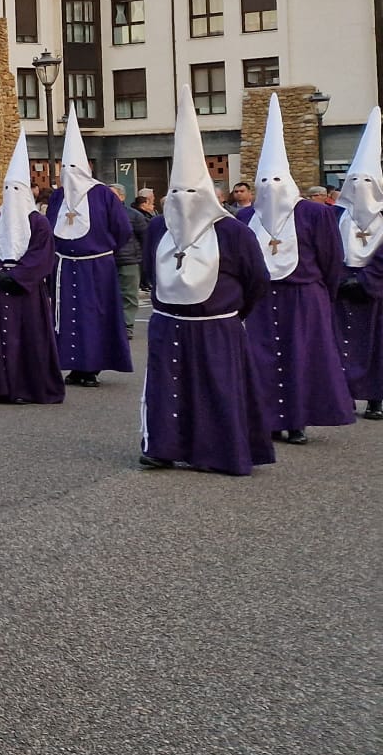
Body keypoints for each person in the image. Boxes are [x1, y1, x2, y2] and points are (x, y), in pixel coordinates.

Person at [139, 86, 272, 473]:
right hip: (169, 322)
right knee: (166, 386)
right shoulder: (159, 229)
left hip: (216, 324)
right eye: (174, 191)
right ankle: (163, 445)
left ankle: (221, 451)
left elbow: (256, 280)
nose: (182, 199)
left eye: (190, 191)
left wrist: (231, 313)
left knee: (218, 388)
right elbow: (151, 270)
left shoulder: (232, 232)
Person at [236, 95, 355, 445]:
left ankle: (298, 419)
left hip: (304, 296)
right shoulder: (246, 217)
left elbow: (332, 259)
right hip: (261, 300)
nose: (270, 188)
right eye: (264, 182)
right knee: (261, 358)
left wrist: (322, 295)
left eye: (277, 181)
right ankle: (268, 418)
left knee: (302, 357)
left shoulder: (315, 214)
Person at [0, 133, 65, 406]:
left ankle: (26, 386)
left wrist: (18, 276)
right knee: (0, 337)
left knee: (28, 337)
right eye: (7, 190)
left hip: (26, 291)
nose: (11, 196)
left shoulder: (38, 222)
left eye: (17, 190)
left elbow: (42, 253)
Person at [46, 121, 133, 388]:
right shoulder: (58, 196)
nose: (70, 174)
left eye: (75, 168)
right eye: (66, 168)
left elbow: (122, 229)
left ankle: (92, 366)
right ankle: (73, 364)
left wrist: (102, 251)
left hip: (95, 267)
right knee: (66, 315)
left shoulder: (102, 195)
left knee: (93, 314)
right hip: (63, 266)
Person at [332, 108, 383, 421]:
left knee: (376, 347)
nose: (361, 186)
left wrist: (366, 281)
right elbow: (328, 249)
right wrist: (337, 278)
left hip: (375, 291)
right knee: (339, 343)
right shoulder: (337, 217)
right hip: (342, 286)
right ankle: (343, 396)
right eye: (355, 181)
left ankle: (376, 397)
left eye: (368, 181)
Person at [114, 186, 145, 342]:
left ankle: (127, 326)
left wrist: (140, 257)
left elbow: (144, 236)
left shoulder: (134, 215)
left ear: (122, 197)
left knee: (129, 295)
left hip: (128, 260)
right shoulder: (98, 213)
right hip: (106, 260)